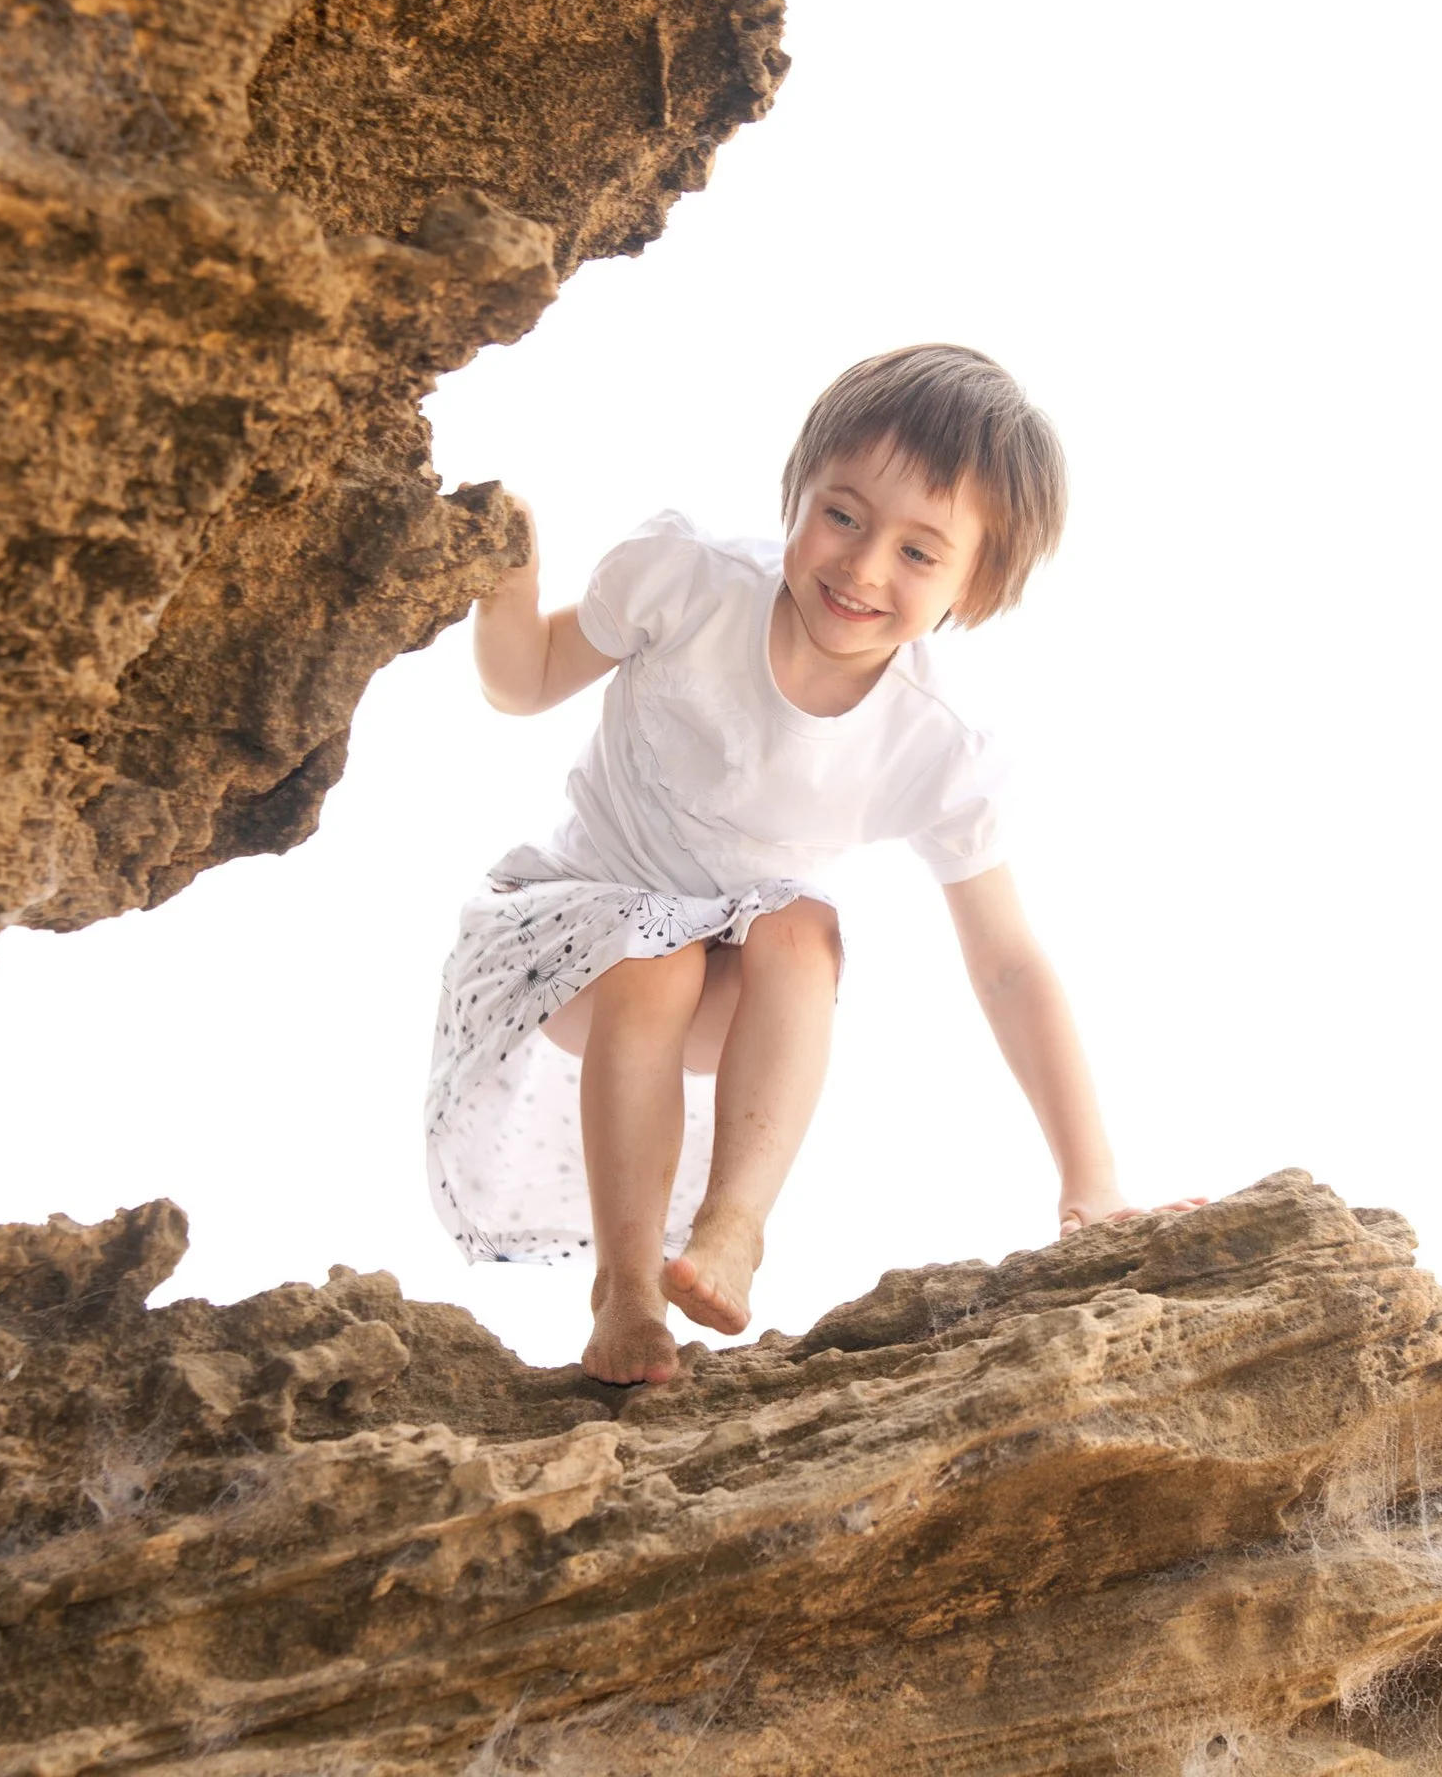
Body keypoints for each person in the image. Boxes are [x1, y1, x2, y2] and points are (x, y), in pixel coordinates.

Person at [424, 343, 1202, 1386]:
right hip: (562, 939)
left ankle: (732, 1225)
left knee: (804, 923)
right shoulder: (691, 584)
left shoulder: (936, 739)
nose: (863, 566)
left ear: (976, 588)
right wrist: (506, 578)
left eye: (920, 553)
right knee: (656, 953)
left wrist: (1091, 1180)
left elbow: (1010, 966)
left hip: (722, 973)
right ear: (796, 492)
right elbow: (522, 684)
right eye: (842, 514)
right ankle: (625, 1282)